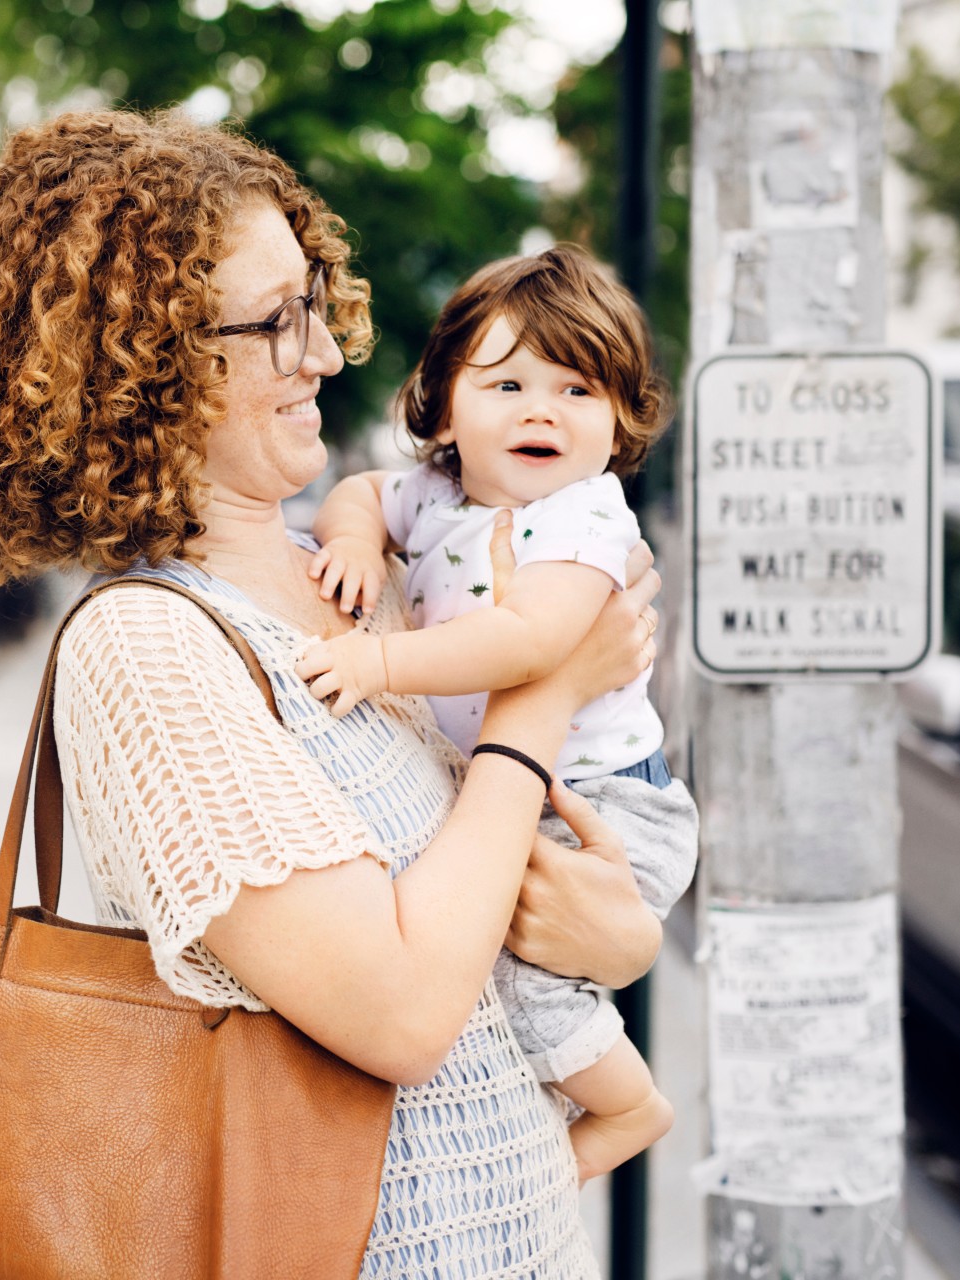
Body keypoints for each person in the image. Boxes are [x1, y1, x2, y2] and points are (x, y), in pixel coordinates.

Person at [0, 109, 684, 1278]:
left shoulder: (361, 580)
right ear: (140, 369)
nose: (324, 352)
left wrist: (618, 932)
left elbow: (486, 918)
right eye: (274, 322)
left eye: (314, 302)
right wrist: (544, 693)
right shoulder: (151, 652)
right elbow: (405, 1010)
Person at [293, 244, 699, 1183]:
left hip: (604, 803)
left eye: (577, 391)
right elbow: (357, 494)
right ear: (442, 404)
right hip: (531, 785)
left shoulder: (584, 522)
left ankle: (628, 1104)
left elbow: (528, 644)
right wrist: (355, 540)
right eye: (508, 383)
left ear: (619, 424)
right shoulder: (436, 497)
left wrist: (378, 659)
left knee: (520, 978)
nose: (541, 411)